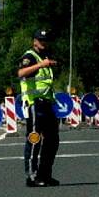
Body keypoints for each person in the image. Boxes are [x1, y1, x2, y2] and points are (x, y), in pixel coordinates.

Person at [18, 28, 60, 187]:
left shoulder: (45, 57)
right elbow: (21, 72)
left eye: (45, 40)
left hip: (47, 103)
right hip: (34, 103)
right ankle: (32, 176)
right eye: (40, 40)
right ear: (34, 41)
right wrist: (41, 65)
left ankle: (45, 174)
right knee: (35, 139)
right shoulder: (29, 56)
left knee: (52, 140)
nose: (43, 43)